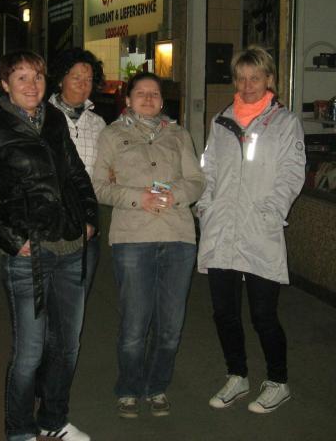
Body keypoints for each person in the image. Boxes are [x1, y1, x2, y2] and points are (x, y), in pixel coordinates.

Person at [0, 50, 97, 441]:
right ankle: (19, 431)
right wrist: (11, 238)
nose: (31, 85)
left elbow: (76, 173)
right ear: (6, 84)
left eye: (37, 76)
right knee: (30, 352)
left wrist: (89, 219)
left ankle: (53, 420)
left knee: (67, 346)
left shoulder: (53, 119)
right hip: (28, 254)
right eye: (21, 77)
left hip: (71, 248)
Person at [196, 46, 305, 414]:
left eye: (255, 78)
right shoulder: (221, 121)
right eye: (241, 78)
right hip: (222, 229)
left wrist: (272, 212)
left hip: (260, 229)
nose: (247, 85)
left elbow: (292, 173)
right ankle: (237, 374)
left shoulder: (284, 123)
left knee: (263, 315)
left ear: (269, 79)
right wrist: (205, 206)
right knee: (224, 313)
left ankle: (278, 381)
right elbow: (208, 169)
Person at [92, 71, 205, 419]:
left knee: (170, 326)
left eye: (154, 93)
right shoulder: (112, 135)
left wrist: (176, 195)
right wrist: (136, 197)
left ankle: (157, 386)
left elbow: (197, 181)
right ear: (128, 99)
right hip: (132, 239)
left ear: (162, 100)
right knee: (134, 325)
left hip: (178, 238)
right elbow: (98, 186)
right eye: (140, 93)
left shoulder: (179, 135)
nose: (148, 98)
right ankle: (128, 389)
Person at [48, 48, 107, 294]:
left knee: (77, 298)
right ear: (60, 80)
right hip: (48, 223)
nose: (83, 85)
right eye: (76, 78)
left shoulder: (98, 124)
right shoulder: (42, 117)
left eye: (89, 79)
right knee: (45, 301)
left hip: (86, 224)